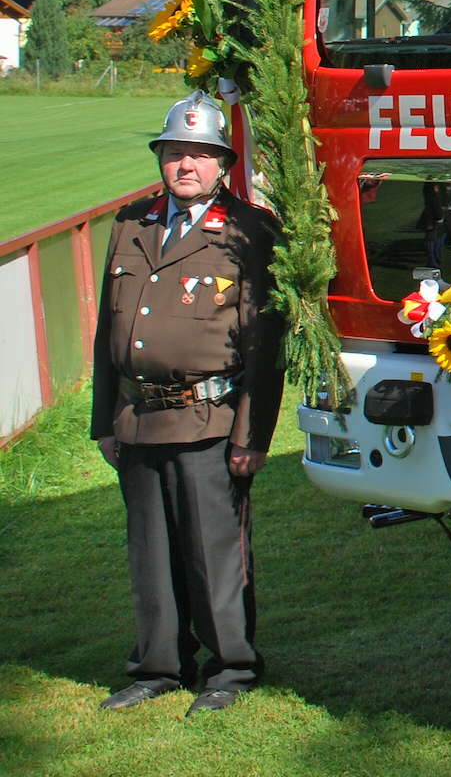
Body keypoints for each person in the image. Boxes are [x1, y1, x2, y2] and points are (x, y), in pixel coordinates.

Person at [90, 91, 283, 716]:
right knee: (150, 555)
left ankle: (232, 668)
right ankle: (159, 666)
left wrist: (251, 436)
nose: (186, 165)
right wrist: (103, 420)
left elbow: (263, 345)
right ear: (161, 159)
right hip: (138, 418)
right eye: (175, 153)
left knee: (212, 553)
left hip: (209, 419)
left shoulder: (249, 230)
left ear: (223, 164)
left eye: (200, 154)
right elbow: (107, 331)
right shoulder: (132, 223)